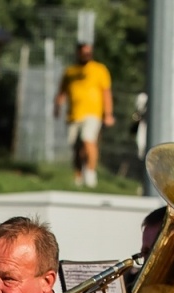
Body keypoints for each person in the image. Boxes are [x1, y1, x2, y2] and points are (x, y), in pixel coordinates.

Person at [55, 42, 112, 188]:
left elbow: (106, 93)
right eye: (84, 52)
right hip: (74, 115)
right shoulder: (70, 71)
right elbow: (62, 92)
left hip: (93, 113)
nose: (87, 55)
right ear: (78, 53)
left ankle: (91, 174)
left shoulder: (99, 70)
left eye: (89, 52)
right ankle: (78, 176)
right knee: (75, 147)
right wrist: (57, 106)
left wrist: (108, 114)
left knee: (88, 140)